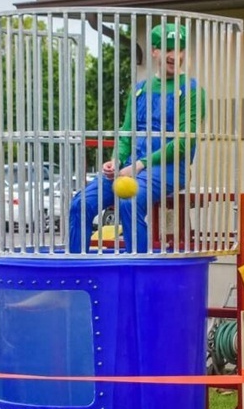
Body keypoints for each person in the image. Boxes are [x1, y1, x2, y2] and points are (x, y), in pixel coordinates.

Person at [68, 22, 207, 254]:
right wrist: (116, 161)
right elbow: (126, 133)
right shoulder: (140, 89)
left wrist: (138, 166)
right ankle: (77, 270)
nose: (175, 55)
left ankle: (137, 269)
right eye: (168, 49)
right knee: (80, 204)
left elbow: (184, 142)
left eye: (180, 49)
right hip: (131, 166)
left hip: (169, 168)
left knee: (128, 201)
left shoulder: (191, 90)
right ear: (154, 51)